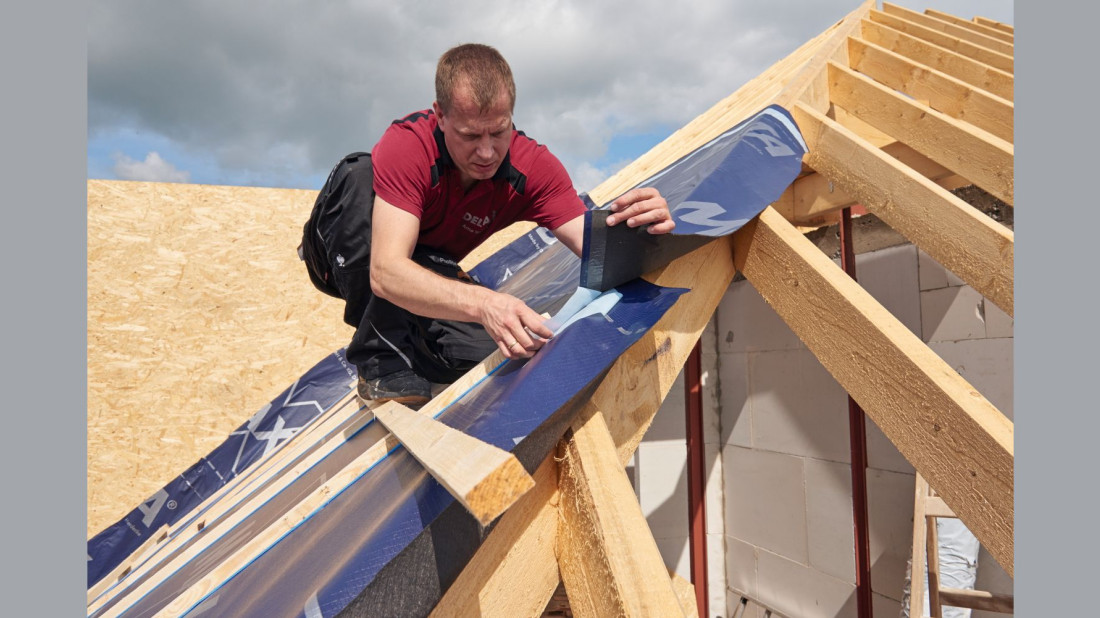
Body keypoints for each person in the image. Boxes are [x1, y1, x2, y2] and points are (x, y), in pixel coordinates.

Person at [301, 43, 674, 407]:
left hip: (427, 264)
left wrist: (643, 230)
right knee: (360, 175)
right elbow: (386, 273)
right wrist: (483, 303)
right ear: (440, 116)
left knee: (502, 349)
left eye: (498, 132)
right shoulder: (409, 146)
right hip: (342, 253)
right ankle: (382, 362)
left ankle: (415, 352)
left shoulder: (532, 167)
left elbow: (600, 251)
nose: (486, 152)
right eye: (469, 135)